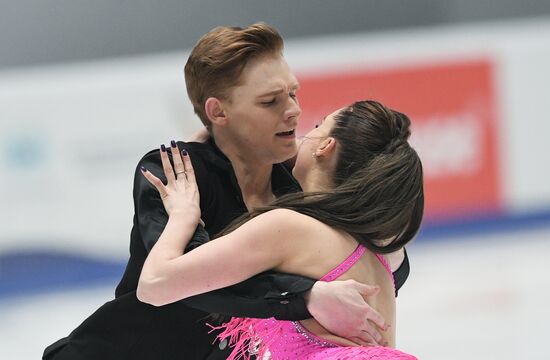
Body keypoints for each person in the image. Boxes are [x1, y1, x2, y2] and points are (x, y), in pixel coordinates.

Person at [43, 23, 410, 360]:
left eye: (293, 93)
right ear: (219, 112)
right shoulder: (175, 174)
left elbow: (375, 256)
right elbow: (192, 283)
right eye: (270, 101)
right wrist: (305, 297)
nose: (294, 112)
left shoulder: (297, 180)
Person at [137, 99, 424, 359]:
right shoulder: (381, 250)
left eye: (316, 126)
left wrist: (183, 217)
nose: (301, 136)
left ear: (326, 147)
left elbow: (154, 285)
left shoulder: (289, 228)